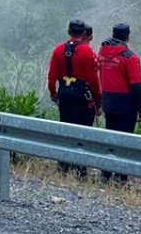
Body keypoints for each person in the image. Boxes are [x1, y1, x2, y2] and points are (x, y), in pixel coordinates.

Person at [46, 19, 102, 177]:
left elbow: (51, 75)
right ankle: (80, 170)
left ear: (68, 31)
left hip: (64, 93)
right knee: (82, 131)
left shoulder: (58, 49)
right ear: (83, 33)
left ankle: (63, 166)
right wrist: (98, 101)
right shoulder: (87, 51)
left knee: (65, 128)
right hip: (81, 95)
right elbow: (93, 79)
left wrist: (53, 93)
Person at [97, 22, 141, 183]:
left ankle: (106, 174)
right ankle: (121, 177)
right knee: (124, 140)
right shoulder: (130, 57)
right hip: (126, 104)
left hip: (108, 101)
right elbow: (136, 85)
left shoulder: (102, 52)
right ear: (127, 37)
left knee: (109, 137)